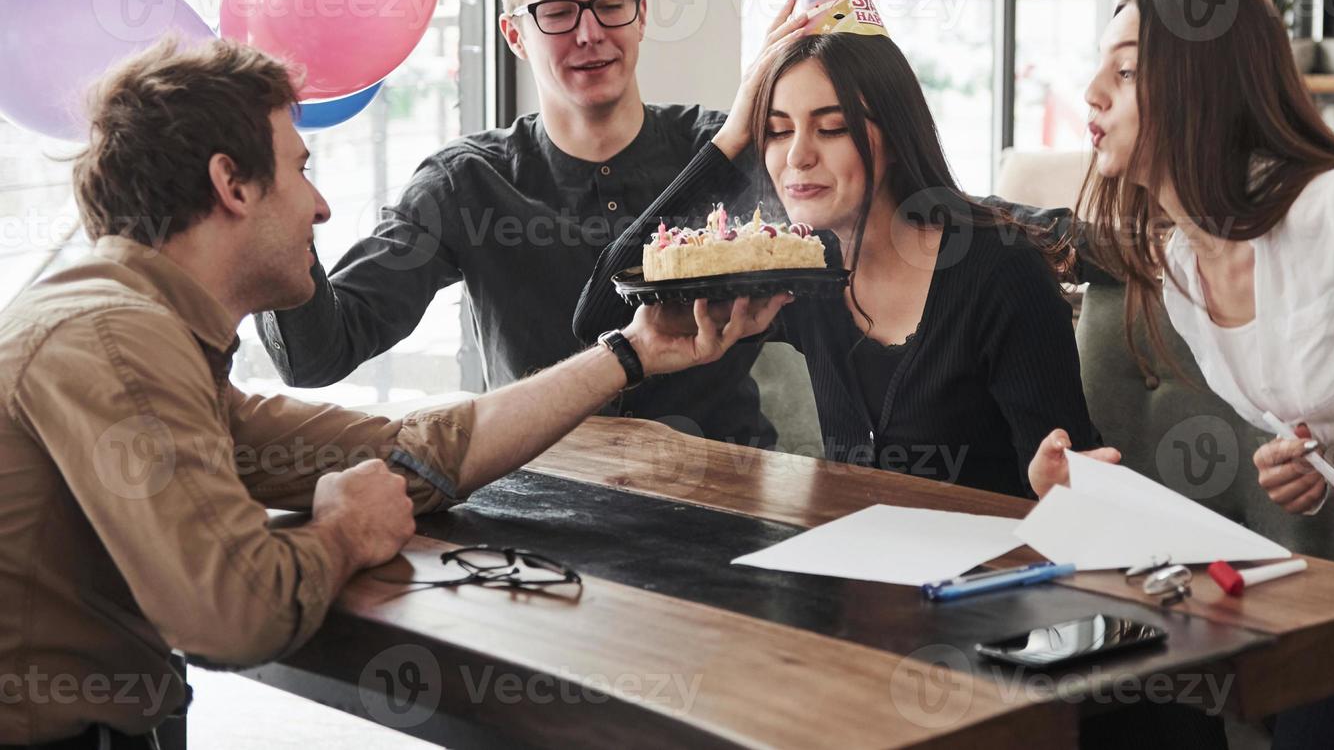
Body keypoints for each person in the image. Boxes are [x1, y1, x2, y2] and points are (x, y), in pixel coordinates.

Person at [0, 38, 783, 747]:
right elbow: (231, 615)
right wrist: (342, 532)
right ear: (230, 184)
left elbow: (411, 454)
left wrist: (634, 350)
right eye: (300, 167)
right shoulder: (117, 341)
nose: (321, 204)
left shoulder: (136, 330)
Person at [1076, 0, 1334, 748]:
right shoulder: (1182, 270)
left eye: (1125, 72)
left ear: (1203, 90)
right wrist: (1316, 465)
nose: (1092, 91)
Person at [255, 0, 775, 449]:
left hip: (729, 493)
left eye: (610, 3)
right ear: (515, 36)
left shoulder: (726, 148)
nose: (590, 32)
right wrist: (275, 212)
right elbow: (319, 354)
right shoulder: (466, 183)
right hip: (542, 499)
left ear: (641, 14)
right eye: (556, 12)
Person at [576, 0, 1116, 499]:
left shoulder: (1001, 273)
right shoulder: (800, 271)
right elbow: (599, 313)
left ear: (897, 138)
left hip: (985, 582)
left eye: (831, 129)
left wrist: (1059, 488)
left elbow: (1071, 483)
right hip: (843, 579)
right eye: (777, 131)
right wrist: (730, 139)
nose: (797, 157)